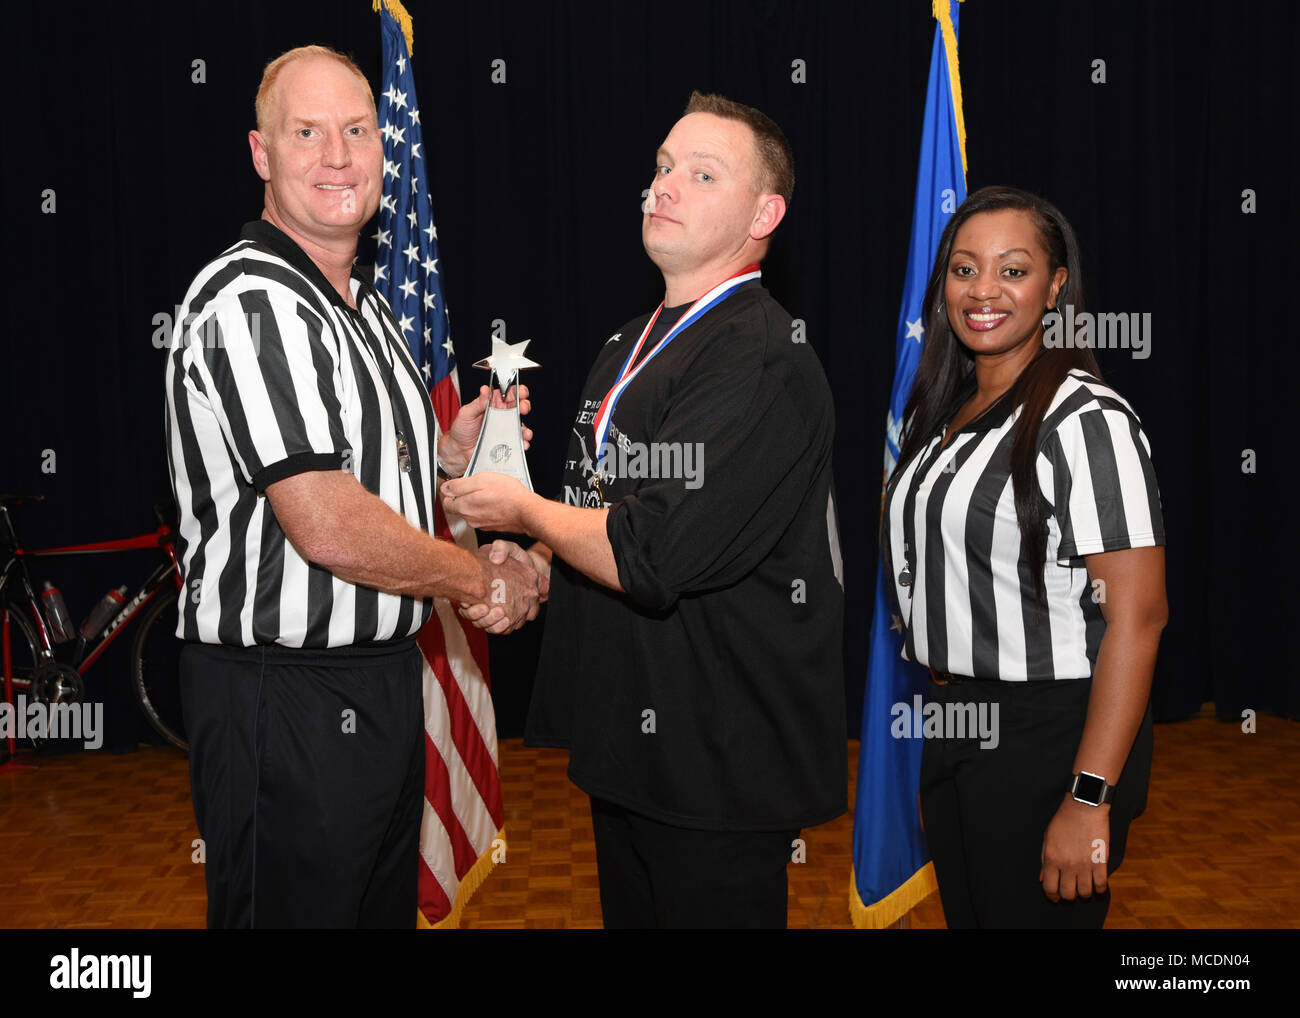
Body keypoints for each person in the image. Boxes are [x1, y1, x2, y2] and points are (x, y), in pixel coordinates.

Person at [442, 92, 846, 929]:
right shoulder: (629, 342)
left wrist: (519, 511)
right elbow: (595, 508)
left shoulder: (760, 356)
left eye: (702, 174)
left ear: (765, 213)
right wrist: (532, 568)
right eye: (663, 167)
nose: (665, 186)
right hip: (632, 743)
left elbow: (650, 552)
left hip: (718, 761)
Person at [163, 45, 542, 928]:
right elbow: (327, 522)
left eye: (357, 131)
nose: (337, 156)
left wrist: (448, 459)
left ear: (384, 148)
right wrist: (482, 579)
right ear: (261, 154)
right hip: (279, 695)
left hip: (377, 684)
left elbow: (378, 490)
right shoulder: (251, 300)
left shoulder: (363, 310)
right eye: (307, 133)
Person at [880, 185, 1167, 928]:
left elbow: (1138, 618)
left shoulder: (1087, 420)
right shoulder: (938, 411)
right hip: (958, 718)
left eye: (1013, 270)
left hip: (1052, 736)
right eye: (964, 269)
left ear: (1056, 286)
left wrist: (1089, 795)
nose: (983, 291)